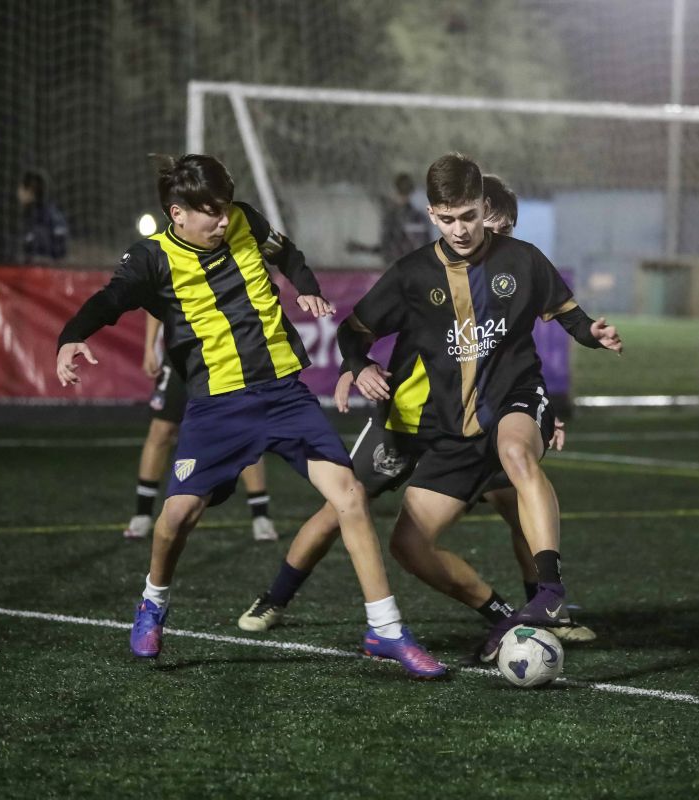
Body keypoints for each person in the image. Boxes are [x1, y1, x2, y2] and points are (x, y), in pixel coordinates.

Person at [55, 154, 445, 677]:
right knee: (177, 517)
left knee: (350, 496)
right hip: (218, 407)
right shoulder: (151, 258)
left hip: (284, 395)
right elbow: (110, 300)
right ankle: (153, 602)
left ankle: (386, 629)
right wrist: (71, 336)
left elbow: (288, 254)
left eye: (226, 208)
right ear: (177, 213)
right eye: (211, 213)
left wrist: (307, 286)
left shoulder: (245, 219)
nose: (224, 220)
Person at [238, 173, 596, 645]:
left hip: (475, 424)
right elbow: (362, 329)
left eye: (505, 230)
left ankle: (545, 610)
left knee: (517, 504)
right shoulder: (428, 272)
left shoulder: (509, 272)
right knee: (342, 505)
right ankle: (275, 596)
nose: (489, 237)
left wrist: (540, 415)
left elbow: (514, 363)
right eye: (487, 226)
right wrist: (354, 365)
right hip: (409, 419)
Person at [337, 153, 621, 662]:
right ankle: (502, 615)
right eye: (447, 219)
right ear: (431, 214)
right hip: (454, 430)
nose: (460, 229)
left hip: (515, 397)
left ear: (483, 205)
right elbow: (353, 330)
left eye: (469, 216)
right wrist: (359, 365)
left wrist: (592, 334)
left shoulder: (522, 259)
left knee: (515, 453)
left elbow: (569, 314)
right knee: (407, 546)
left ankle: (550, 593)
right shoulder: (412, 274)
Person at [123, 312, 278, 542]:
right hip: (181, 352)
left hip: (226, 353)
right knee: (161, 430)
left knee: (241, 430)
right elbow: (154, 303)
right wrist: (150, 347)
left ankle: (261, 516)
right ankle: (142, 514)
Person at [347, 172, 432, 265]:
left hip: (399, 267)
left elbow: (388, 249)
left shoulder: (393, 217)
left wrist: (362, 249)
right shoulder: (419, 217)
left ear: (394, 190)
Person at [18, 169, 68, 263]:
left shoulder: (49, 216)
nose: (19, 192)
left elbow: (59, 252)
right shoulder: (28, 216)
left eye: (22, 188)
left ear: (31, 190)